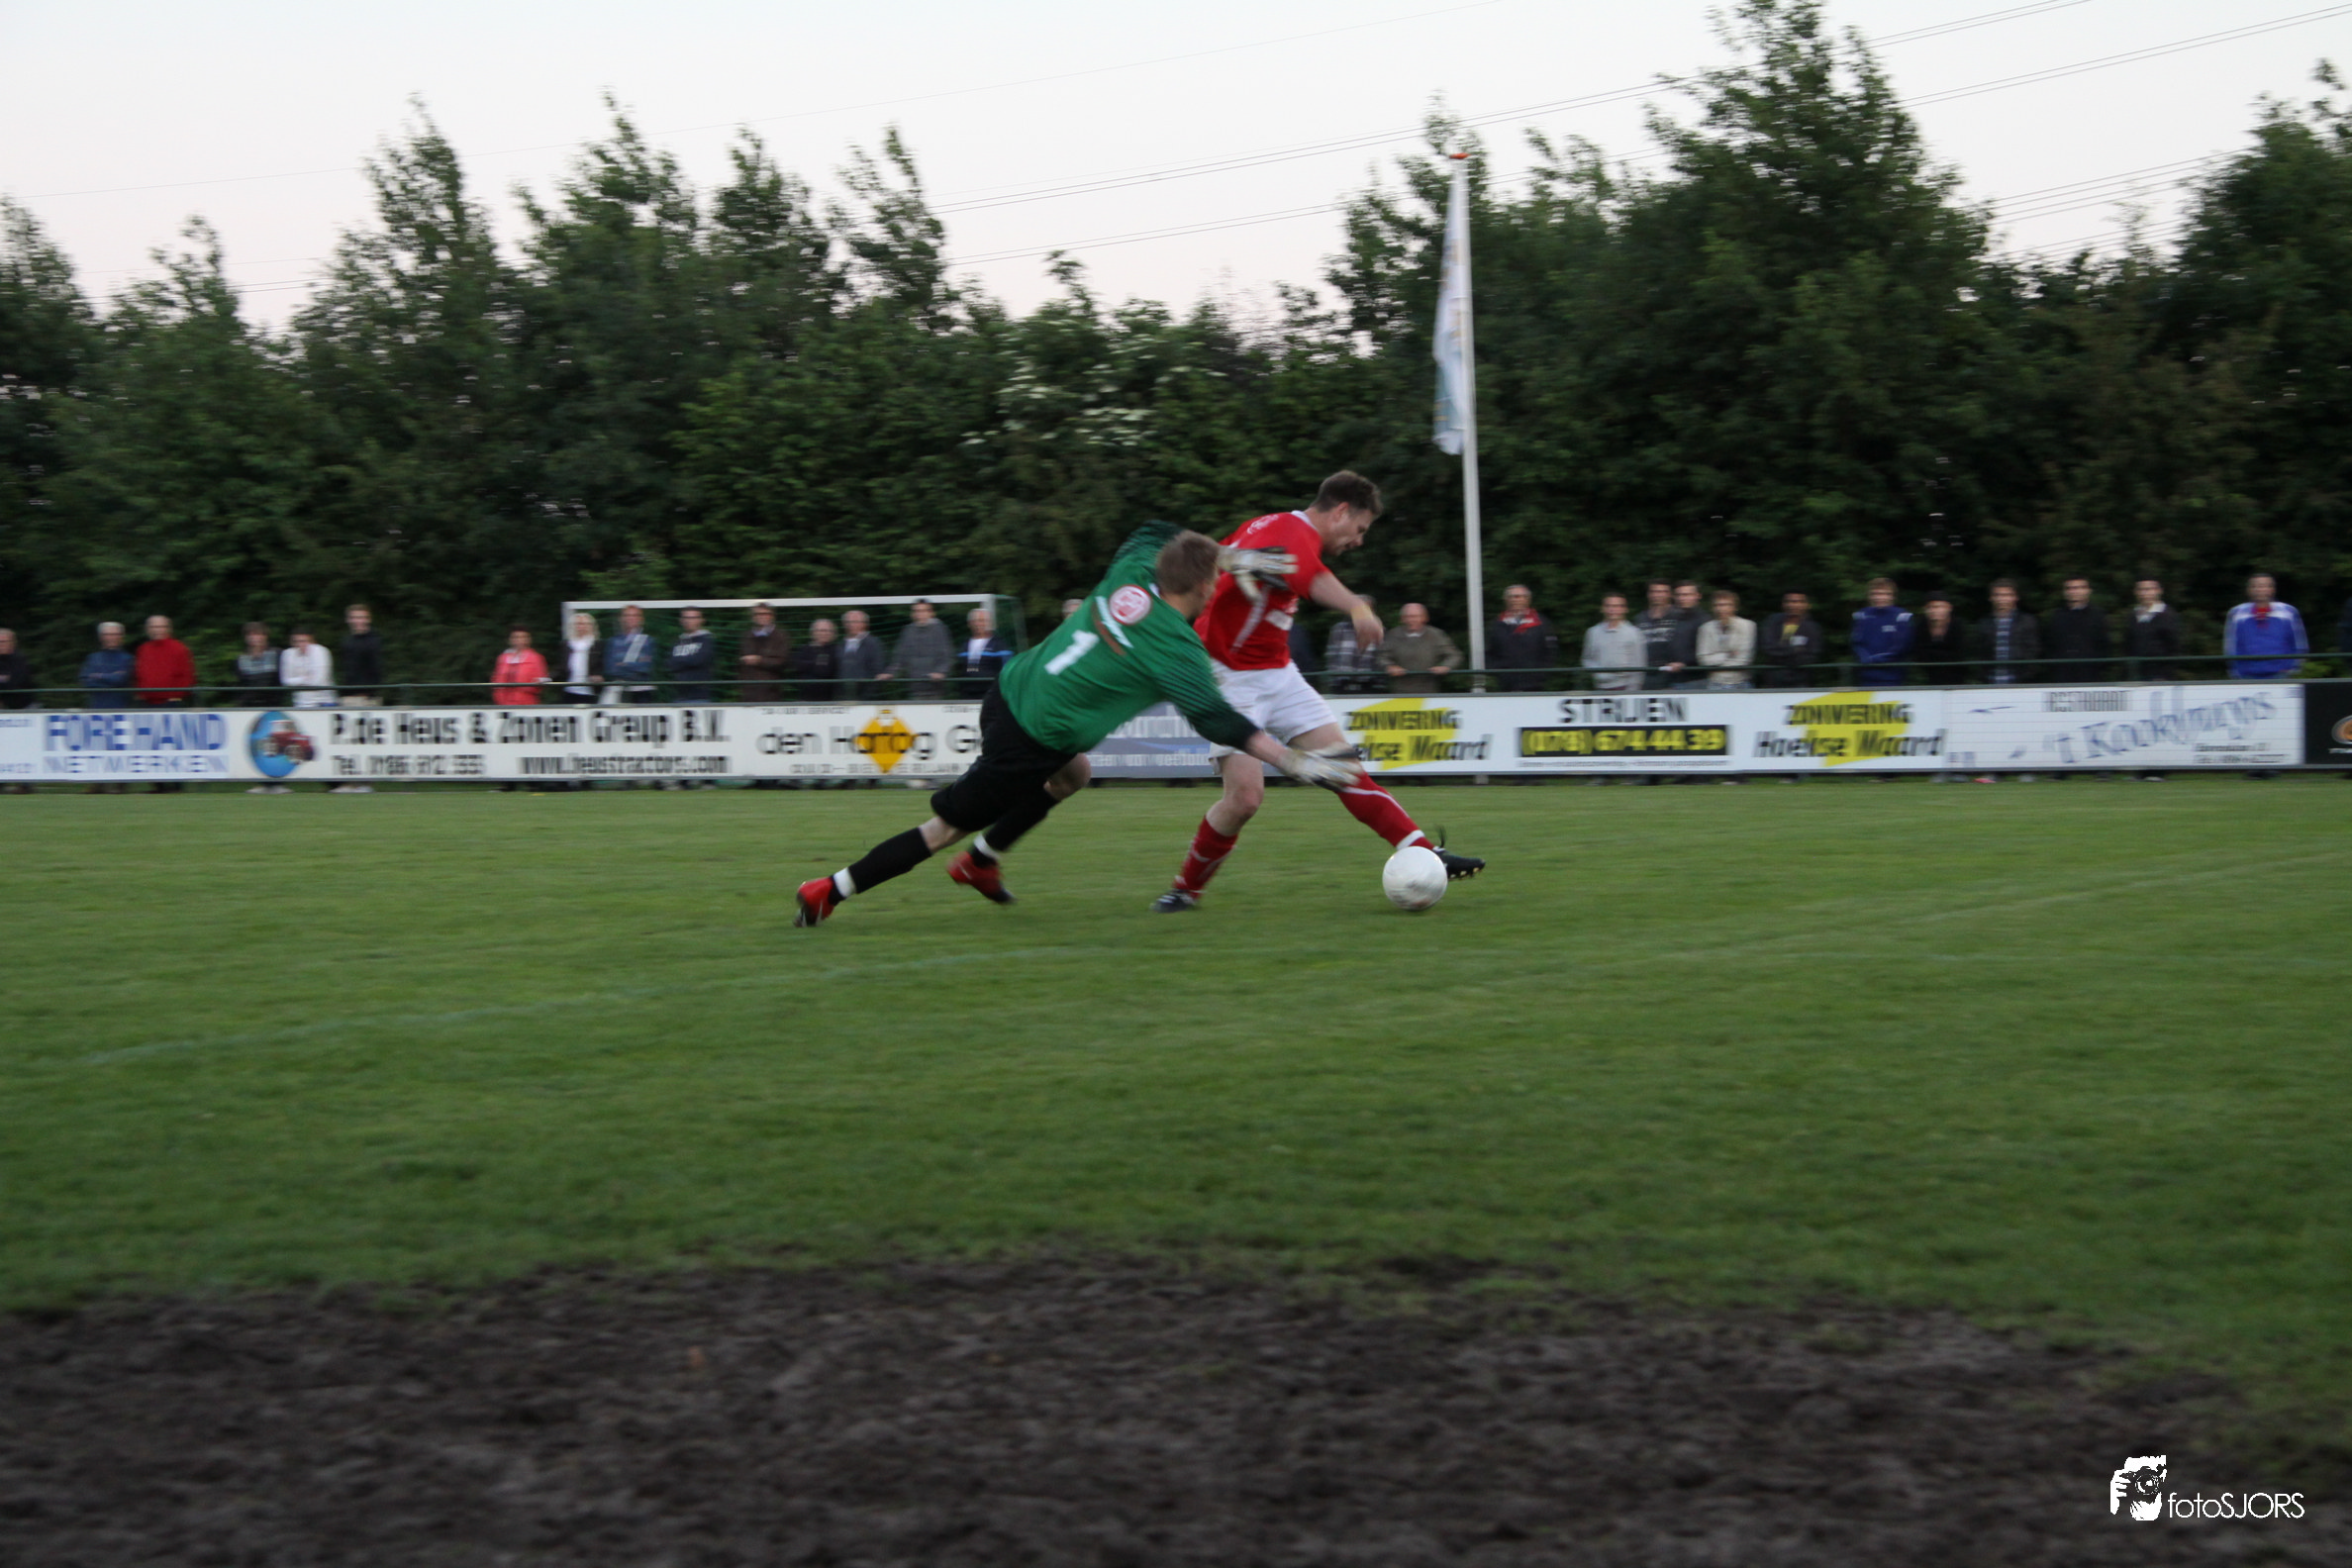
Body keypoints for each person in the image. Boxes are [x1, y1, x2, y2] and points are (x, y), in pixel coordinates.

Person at [795, 522, 1369, 925]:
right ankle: (829, 890)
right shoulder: (1176, 650)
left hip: (1011, 688)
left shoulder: (1134, 568)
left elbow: (1153, 529)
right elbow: (1219, 718)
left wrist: (1228, 553)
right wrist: (1291, 760)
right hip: (1029, 739)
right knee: (941, 830)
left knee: (1075, 775)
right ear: (1205, 586)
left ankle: (982, 862)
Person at [1155, 471, 1483, 913]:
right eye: (1360, 529)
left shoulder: (1274, 529)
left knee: (1345, 770)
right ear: (1341, 511)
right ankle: (1185, 889)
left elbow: (1241, 564)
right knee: (1245, 798)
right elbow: (1308, 575)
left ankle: (1426, 852)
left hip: (1278, 673)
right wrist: (1357, 606)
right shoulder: (1290, 532)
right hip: (1228, 676)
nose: (1359, 540)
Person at [2223, 573, 2306, 679]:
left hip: (2281, 673)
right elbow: (2231, 645)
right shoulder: (2236, 613)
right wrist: (2235, 670)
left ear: (2272, 589)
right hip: (2247, 673)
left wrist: (2294, 668)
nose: (2259, 589)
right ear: (2248, 590)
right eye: (2255, 586)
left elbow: (2299, 643)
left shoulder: (2288, 612)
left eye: (2264, 586)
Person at [1489, 584, 1559, 692]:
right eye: (1511, 597)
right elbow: (1490, 651)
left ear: (1528, 599)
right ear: (1505, 600)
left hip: (1535, 684)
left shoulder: (1541, 623)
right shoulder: (1497, 624)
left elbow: (1551, 652)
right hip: (1505, 684)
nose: (1515, 600)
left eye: (1519, 596)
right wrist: (1500, 674)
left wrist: (1541, 675)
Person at [1970, 580, 2041, 685]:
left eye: (2006, 595)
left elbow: (2033, 649)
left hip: (2021, 681)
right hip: (1990, 680)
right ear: (1991, 598)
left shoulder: (2027, 621)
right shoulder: (1984, 623)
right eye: (1998, 595)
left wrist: (2027, 673)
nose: (2002, 599)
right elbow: (1979, 652)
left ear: (2015, 597)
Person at [1380, 603, 1461, 695]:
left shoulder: (1436, 635)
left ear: (1425, 618)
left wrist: (1445, 667)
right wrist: (1389, 666)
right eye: (1407, 617)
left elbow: (1454, 655)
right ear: (1402, 619)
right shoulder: (1393, 634)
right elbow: (1382, 656)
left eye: (1415, 616)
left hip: (1429, 690)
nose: (1411, 620)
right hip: (1399, 691)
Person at [2043, 576, 2111, 682]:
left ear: (2088, 590)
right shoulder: (2056, 616)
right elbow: (2050, 644)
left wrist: (2098, 666)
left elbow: (2104, 645)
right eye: (2069, 588)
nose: (2074, 591)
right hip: (2061, 674)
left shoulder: (2098, 616)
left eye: (2079, 587)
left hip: (2091, 674)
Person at [1631, 579, 1696, 689]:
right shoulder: (1640, 618)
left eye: (1662, 591)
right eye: (1654, 591)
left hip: (1674, 675)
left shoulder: (1680, 616)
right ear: (1648, 594)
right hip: (1647, 673)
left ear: (1670, 594)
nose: (1658, 595)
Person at [1851, 579, 1913, 686]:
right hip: (1866, 676)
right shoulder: (1861, 615)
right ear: (1870, 596)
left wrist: (1874, 660)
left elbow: (1901, 647)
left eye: (1884, 594)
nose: (1879, 597)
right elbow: (1856, 643)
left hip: (1893, 677)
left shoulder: (1901, 616)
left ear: (1892, 596)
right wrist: (1866, 659)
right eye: (1876, 594)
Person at [888, 598, 953, 700]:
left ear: (931, 613)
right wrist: (890, 672)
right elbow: (900, 656)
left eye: (923, 611)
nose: (919, 614)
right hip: (914, 687)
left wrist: (941, 672)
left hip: (935, 688)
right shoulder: (908, 631)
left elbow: (947, 655)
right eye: (916, 611)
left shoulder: (939, 630)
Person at [1754, 592, 1822, 688]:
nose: (1792, 605)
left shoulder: (1813, 628)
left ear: (1806, 605)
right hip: (1772, 679)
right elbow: (1767, 648)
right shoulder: (1772, 621)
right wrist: (1795, 650)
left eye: (1798, 602)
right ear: (1783, 604)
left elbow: (1811, 656)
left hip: (1800, 681)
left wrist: (1781, 649)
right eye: (1789, 601)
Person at [1581, 593, 1645, 691]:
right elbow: (1587, 659)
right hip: (1600, 688)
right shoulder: (1592, 632)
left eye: (1617, 606)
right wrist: (1598, 674)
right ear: (1602, 609)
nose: (1612, 610)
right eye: (1608, 606)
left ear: (1625, 609)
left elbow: (1639, 664)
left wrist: (1633, 691)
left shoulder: (1634, 633)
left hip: (1625, 687)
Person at [2123, 578, 2182, 682]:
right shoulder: (2132, 615)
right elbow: (2128, 646)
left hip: (2160, 676)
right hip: (2136, 675)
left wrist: (2165, 674)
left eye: (2149, 589)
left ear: (2159, 591)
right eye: (2140, 589)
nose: (2144, 593)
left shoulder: (2168, 615)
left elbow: (2174, 647)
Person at [1695, 591, 1756, 689]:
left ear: (1735, 607)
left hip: (1741, 682)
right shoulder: (1705, 628)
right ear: (1712, 608)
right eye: (1717, 605)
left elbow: (1743, 660)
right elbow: (1703, 659)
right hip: (1715, 683)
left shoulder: (1748, 626)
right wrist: (1728, 654)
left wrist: (1716, 659)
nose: (1721, 609)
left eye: (1726, 605)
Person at [1323, 594, 1381, 693]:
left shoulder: (1378, 629)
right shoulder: (1339, 628)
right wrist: (1333, 680)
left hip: (1368, 681)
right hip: (1341, 681)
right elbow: (1332, 656)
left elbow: (1381, 656)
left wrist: (1379, 683)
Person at [136, 616, 195, 708]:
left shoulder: (179, 648)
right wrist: (140, 694)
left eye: (161, 627)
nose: (157, 630)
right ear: (147, 629)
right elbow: (138, 674)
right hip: (146, 702)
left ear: (168, 629)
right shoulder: (143, 649)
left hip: (171, 702)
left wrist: (177, 695)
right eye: (153, 627)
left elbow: (187, 675)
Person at [955, 606, 1014, 697]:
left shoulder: (999, 645)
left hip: (991, 692)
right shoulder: (964, 644)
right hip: (968, 691)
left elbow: (1007, 669)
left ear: (989, 623)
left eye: (982, 621)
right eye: (975, 621)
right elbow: (960, 668)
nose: (978, 624)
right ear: (969, 623)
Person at [605, 604, 657, 704]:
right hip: (618, 690)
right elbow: (611, 669)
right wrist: (635, 663)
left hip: (642, 691)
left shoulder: (648, 641)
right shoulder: (613, 641)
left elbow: (645, 667)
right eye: (627, 615)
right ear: (621, 619)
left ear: (641, 619)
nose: (631, 618)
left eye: (635, 615)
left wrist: (622, 664)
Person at [1911, 592, 1969, 679]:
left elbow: (1960, 654)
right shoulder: (1921, 626)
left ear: (1949, 608)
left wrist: (1933, 654)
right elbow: (1919, 654)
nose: (1935, 610)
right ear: (1925, 609)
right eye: (1931, 607)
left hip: (1956, 674)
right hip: (1927, 674)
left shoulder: (1957, 625)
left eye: (1940, 607)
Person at [738, 603, 789, 701]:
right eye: (758, 614)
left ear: (772, 616)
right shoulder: (747, 635)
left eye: (765, 614)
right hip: (749, 692)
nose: (761, 616)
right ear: (753, 617)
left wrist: (759, 660)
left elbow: (783, 662)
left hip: (771, 692)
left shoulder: (780, 636)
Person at [81, 623, 135, 712]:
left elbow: (121, 679)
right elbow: (86, 681)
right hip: (96, 708)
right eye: (107, 634)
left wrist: (99, 676)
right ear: (100, 637)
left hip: (122, 709)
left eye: (115, 634)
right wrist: (112, 677)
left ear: (121, 637)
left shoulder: (127, 658)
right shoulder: (93, 658)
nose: (111, 638)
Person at [667, 607, 717, 704]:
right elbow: (669, 664)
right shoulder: (677, 641)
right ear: (681, 620)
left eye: (693, 618)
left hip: (700, 697)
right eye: (686, 618)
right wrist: (688, 661)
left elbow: (698, 660)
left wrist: (680, 661)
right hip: (678, 696)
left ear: (701, 620)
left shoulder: (707, 640)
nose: (689, 621)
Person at [279, 626, 335, 709]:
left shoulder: (320, 651)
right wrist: (305, 678)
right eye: (296, 642)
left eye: (304, 641)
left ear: (312, 641)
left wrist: (296, 680)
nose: (300, 645)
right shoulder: (288, 653)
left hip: (324, 702)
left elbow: (317, 681)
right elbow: (285, 681)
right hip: (299, 704)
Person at [836, 609, 887, 700]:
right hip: (843, 697)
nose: (851, 625)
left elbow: (878, 670)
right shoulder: (840, 644)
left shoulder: (874, 643)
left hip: (867, 697)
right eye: (848, 622)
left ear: (864, 624)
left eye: (855, 622)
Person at [342, 605, 385, 707]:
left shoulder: (374, 641)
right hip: (348, 696)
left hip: (367, 698)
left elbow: (377, 670)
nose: (358, 621)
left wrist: (367, 692)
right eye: (354, 618)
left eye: (361, 617)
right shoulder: (347, 641)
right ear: (348, 620)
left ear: (368, 620)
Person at [492, 627, 547, 705]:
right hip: (503, 702)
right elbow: (496, 679)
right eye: (516, 637)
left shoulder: (536, 658)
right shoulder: (502, 658)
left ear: (528, 640)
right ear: (510, 640)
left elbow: (541, 680)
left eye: (523, 637)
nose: (519, 640)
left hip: (527, 702)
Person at [794, 618, 842, 701]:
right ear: (813, 632)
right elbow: (798, 666)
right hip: (806, 697)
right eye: (821, 630)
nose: (824, 633)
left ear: (833, 634)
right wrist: (816, 663)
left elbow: (826, 671)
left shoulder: (837, 650)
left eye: (828, 631)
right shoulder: (804, 649)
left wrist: (810, 664)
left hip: (830, 698)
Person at [233, 623, 280, 706]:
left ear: (265, 636)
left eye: (257, 634)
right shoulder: (241, 659)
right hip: (248, 705)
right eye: (249, 635)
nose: (253, 638)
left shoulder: (276, 654)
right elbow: (240, 683)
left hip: (273, 704)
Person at [561, 612, 603, 703]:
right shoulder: (567, 644)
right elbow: (561, 667)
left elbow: (602, 665)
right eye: (578, 624)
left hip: (590, 691)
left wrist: (599, 676)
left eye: (584, 624)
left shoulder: (597, 645)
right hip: (569, 689)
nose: (581, 627)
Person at [0, 629, 34, 711]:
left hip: (24, 707)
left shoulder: (20, 660)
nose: (1, 645)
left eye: (3, 642)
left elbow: (15, 683)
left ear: (12, 643)